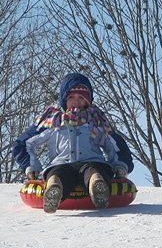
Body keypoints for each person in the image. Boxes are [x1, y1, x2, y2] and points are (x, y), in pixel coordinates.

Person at [12, 73, 134, 213]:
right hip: (62, 163)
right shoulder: (53, 121)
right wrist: (31, 167)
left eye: (81, 98)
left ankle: (97, 187)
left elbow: (115, 146)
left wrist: (120, 166)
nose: (76, 102)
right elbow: (23, 143)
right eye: (71, 97)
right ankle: (54, 189)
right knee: (58, 173)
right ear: (64, 100)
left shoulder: (96, 121)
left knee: (95, 170)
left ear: (88, 100)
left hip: (92, 161)